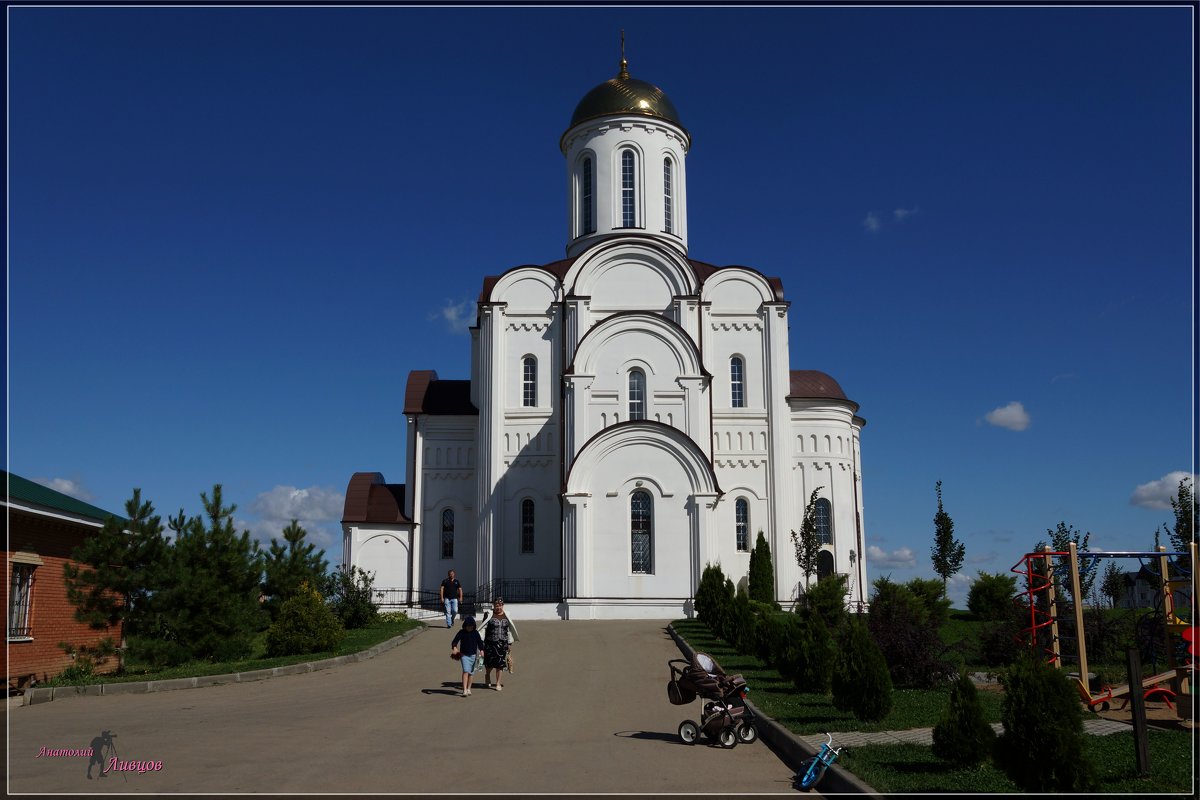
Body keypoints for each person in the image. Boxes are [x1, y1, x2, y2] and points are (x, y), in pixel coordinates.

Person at [482, 598, 518, 691]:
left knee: (500, 664)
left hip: (502, 643)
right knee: (489, 663)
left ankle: (498, 683)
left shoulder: (507, 615)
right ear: (494, 605)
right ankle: (488, 675)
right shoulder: (488, 614)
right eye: (497, 605)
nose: (499, 607)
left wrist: (509, 643)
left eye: (500, 605)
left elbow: (509, 630)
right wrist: (481, 641)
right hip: (490, 643)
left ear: (503, 605)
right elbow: (483, 628)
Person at [450, 616, 484, 697]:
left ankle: (469, 688)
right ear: (465, 625)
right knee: (466, 671)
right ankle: (464, 690)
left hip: (473, 655)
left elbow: (480, 643)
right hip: (464, 655)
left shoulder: (476, 633)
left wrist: (482, 650)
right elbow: (455, 641)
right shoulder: (461, 632)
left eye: (471, 626)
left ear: (474, 626)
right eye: (468, 626)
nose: (469, 628)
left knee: (471, 673)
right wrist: (454, 647)